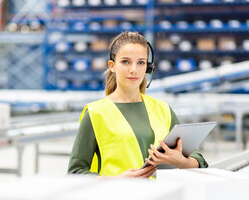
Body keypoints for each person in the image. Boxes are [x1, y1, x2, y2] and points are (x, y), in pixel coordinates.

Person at [68, 31, 208, 178]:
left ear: (148, 68)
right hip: (118, 199)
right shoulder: (96, 113)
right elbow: (75, 172)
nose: (134, 69)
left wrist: (181, 162)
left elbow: (199, 160)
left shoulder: (163, 109)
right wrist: (117, 180)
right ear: (112, 65)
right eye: (125, 62)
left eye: (141, 62)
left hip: (161, 197)